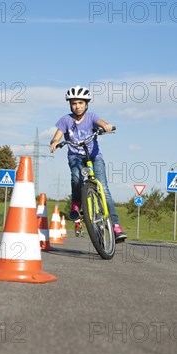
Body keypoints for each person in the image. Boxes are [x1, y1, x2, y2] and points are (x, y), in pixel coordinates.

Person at [50, 85, 127, 242]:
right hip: (75, 157)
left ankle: (115, 226)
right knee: (77, 177)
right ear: (70, 105)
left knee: (103, 188)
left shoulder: (92, 117)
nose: (77, 106)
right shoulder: (66, 120)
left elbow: (101, 122)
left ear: (86, 104)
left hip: (93, 156)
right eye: (73, 103)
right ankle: (76, 205)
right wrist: (55, 142)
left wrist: (106, 126)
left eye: (80, 103)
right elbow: (57, 135)